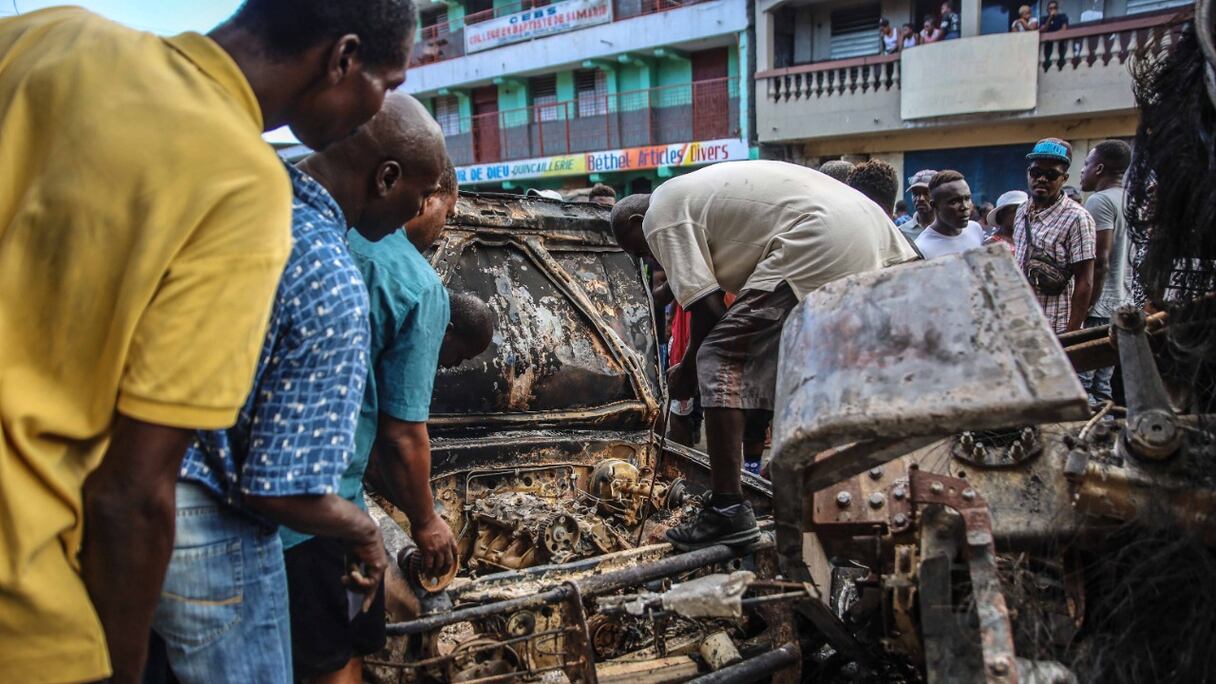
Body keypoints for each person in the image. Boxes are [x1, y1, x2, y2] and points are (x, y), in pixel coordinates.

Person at [0, 2, 416, 682]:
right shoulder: (241, 182)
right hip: (26, 594)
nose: (382, 108)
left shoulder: (44, 36)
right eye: (388, 84)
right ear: (341, 59)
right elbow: (132, 490)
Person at [151, 92, 442, 684]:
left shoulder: (225, 204)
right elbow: (278, 487)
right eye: (421, 194)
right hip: (226, 527)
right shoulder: (327, 272)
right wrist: (366, 534)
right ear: (387, 179)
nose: (418, 214)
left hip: (137, 503)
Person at [609, 160, 917, 550]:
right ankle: (822, 473)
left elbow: (706, 309)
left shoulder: (659, 214)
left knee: (718, 359)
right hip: (872, 232)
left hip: (820, 238)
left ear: (638, 221)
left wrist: (687, 371)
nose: (649, 260)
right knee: (817, 366)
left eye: (638, 250)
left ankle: (727, 510)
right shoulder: (695, 193)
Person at [284, 123, 474, 684]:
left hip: (260, 505)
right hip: (324, 510)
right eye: (446, 211)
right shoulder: (416, 283)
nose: (441, 225)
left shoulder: (311, 230)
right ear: (428, 197)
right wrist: (426, 521)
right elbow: (401, 433)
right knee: (337, 658)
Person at [1016, 138, 1096, 334]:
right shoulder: (1021, 211)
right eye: (1036, 173)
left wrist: (1072, 334)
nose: (1042, 179)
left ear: (1064, 178)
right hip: (1022, 324)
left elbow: (1085, 281)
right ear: (1028, 174)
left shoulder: (1077, 218)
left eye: (1051, 174)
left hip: (1056, 326)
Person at [1078, 139, 1133, 404]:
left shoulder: (1099, 202)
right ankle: (1104, 433)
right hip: (1123, 303)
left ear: (1098, 168)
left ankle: (1084, 437)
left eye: (1086, 164)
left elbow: (1101, 261)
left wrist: (1086, 304)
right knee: (1103, 384)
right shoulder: (1130, 200)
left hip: (1100, 307)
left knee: (1083, 384)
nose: (1082, 170)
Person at [914, 170, 986, 258]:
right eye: (954, 201)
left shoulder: (975, 229)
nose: (964, 207)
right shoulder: (922, 248)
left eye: (967, 198)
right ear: (934, 205)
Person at [897, 168, 938, 240]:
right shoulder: (902, 232)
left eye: (926, 193)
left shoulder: (949, 229)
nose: (920, 198)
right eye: (915, 194)